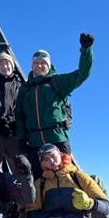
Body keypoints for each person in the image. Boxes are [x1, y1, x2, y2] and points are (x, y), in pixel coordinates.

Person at [15, 33, 94, 178]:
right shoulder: (25, 89)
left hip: (58, 138)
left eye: (43, 63)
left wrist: (86, 50)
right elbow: (19, 115)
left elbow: (83, 74)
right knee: (39, 180)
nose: (39, 65)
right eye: (36, 63)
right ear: (32, 66)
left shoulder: (57, 82)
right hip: (34, 142)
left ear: (48, 65)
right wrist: (22, 137)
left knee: (66, 177)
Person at [0, 52, 23, 175]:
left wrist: (12, 125)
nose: (4, 66)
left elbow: (22, 109)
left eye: (7, 63)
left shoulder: (21, 86)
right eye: (1, 64)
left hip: (14, 134)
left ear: (12, 66)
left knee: (19, 168)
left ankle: (22, 193)